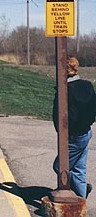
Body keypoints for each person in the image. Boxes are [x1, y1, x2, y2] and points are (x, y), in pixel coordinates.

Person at [52, 56, 96, 198]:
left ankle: (73, 192)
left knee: (60, 167)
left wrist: (63, 130)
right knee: (79, 169)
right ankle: (81, 196)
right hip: (86, 132)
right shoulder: (87, 85)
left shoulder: (66, 90)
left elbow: (68, 116)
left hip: (73, 135)